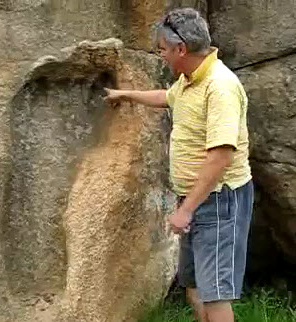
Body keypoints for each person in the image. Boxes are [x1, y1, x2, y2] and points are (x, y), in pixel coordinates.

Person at [103, 7, 253, 322]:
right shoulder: (189, 81)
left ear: (180, 48)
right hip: (196, 197)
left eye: (162, 50)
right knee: (195, 284)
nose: (161, 56)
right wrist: (125, 94)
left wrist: (186, 210)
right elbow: (167, 97)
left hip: (219, 199)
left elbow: (221, 156)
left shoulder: (219, 86)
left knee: (215, 293)